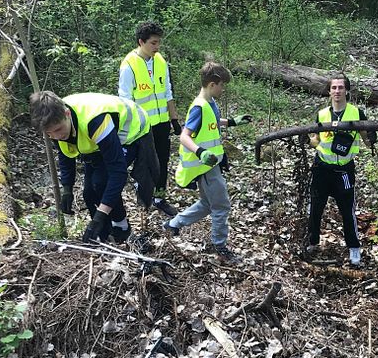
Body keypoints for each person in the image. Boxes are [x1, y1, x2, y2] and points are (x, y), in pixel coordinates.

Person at [30, 90, 159, 244]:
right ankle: (101, 234)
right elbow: (66, 153)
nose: (55, 136)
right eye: (49, 133)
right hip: (97, 139)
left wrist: (100, 216)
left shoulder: (95, 121)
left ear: (67, 114)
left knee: (102, 182)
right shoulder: (54, 123)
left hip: (131, 130)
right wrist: (67, 189)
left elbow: (118, 173)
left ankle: (121, 228)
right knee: (89, 193)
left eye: (58, 130)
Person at [163, 61, 250, 261]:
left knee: (207, 203)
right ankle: (220, 246)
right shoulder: (199, 106)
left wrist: (232, 122)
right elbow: (184, 136)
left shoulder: (210, 103)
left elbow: (211, 122)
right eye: (221, 85)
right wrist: (200, 151)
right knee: (221, 205)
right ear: (212, 84)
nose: (223, 89)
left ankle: (173, 224)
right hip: (204, 165)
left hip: (212, 163)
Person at [307, 73, 376, 267]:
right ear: (329, 91)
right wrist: (308, 140)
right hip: (322, 168)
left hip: (344, 171)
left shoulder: (356, 113)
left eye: (341, 87)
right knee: (315, 208)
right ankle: (312, 242)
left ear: (347, 90)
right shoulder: (322, 114)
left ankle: (354, 248)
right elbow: (316, 141)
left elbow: (367, 138)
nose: (337, 91)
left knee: (347, 210)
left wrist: (371, 137)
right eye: (334, 88)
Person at [118, 21, 181, 216]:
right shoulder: (129, 65)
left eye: (158, 42)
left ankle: (160, 198)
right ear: (141, 42)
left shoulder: (160, 61)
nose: (157, 46)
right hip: (142, 127)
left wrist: (174, 119)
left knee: (162, 161)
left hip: (162, 123)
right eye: (153, 43)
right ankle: (144, 198)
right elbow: (125, 101)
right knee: (146, 164)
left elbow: (167, 91)